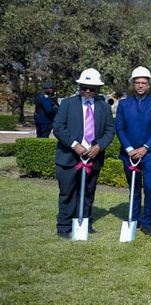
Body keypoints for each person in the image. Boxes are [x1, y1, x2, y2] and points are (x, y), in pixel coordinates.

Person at [52, 68, 115, 238]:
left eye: (91, 88)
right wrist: (75, 145)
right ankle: (64, 226)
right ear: (79, 87)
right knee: (67, 193)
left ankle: (85, 222)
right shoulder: (67, 104)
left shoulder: (103, 107)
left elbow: (110, 130)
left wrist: (99, 146)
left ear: (98, 89)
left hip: (93, 158)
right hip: (68, 158)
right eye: (84, 87)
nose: (87, 91)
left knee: (88, 192)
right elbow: (58, 127)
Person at [115, 66, 151, 236]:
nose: (141, 85)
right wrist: (129, 149)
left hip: (149, 154)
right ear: (133, 84)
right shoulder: (123, 104)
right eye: (137, 82)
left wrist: (145, 148)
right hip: (128, 154)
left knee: (150, 188)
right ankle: (134, 219)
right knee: (134, 188)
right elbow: (120, 128)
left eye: (144, 82)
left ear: (149, 85)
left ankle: (147, 222)